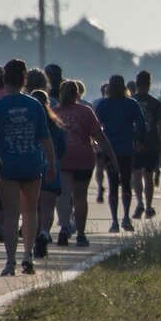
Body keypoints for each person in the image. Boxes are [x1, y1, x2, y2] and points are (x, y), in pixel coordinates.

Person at [0, 59, 56, 275]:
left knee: (11, 214)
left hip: (7, 166)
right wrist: (52, 164)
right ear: (24, 80)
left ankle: (10, 261)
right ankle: (28, 256)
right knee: (30, 212)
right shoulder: (35, 105)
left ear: (5, 79)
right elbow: (45, 138)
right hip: (32, 164)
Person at [55, 79, 109, 247]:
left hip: (63, 158)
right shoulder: (85, 111)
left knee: (63, 194)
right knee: (80, 197)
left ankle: (64, 226)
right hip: (84, 158)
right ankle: (80, 234)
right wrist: (110, 155)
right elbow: (98, 135)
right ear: (78, 94)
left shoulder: (54, 112)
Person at [93, 74, 148, 232]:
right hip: (126, 149)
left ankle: (115, 221)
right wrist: (139, 141)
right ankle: (126, 217)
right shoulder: (131, 104)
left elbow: (96, 126)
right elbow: (142, 125)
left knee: (112, 184)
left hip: (109, 150)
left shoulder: (104, 104)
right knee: (126, 183)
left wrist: (97, 144)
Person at [32, 89, 67, 260]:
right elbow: (61, 150)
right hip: (52, 169)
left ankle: (36, 237)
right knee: (48, 208)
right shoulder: (56, 126)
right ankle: (44, 233)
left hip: (34, 169)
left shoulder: (30, 123)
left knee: (35, 208)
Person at [132, 71, 161, 218]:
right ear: (149, 84)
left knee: (136, 174)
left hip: (134, 143)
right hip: (151, 143)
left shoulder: (131, 101)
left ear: (136, 83)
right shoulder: (155, 103)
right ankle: (148, 206)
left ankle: (139, 201)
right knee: (148, 176)